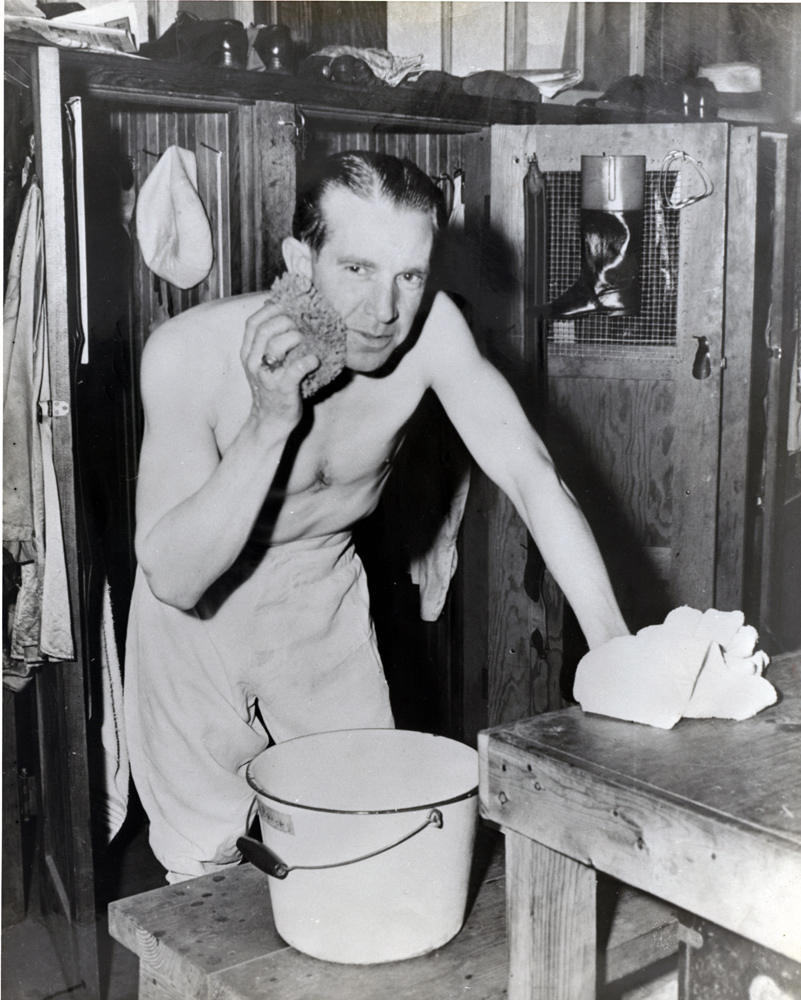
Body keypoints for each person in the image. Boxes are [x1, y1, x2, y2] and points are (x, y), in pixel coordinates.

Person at [124, 151, 628, 883]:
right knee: (200, 870)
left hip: (317, 590)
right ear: (301, 258)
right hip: (194, 619)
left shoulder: (434, 335)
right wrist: (268, 424)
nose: (384, 310)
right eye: (356, 270)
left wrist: (610, 645)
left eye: (409, 276)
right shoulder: (187, 352)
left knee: (361, 840)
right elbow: (172, 578)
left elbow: (531, 474)